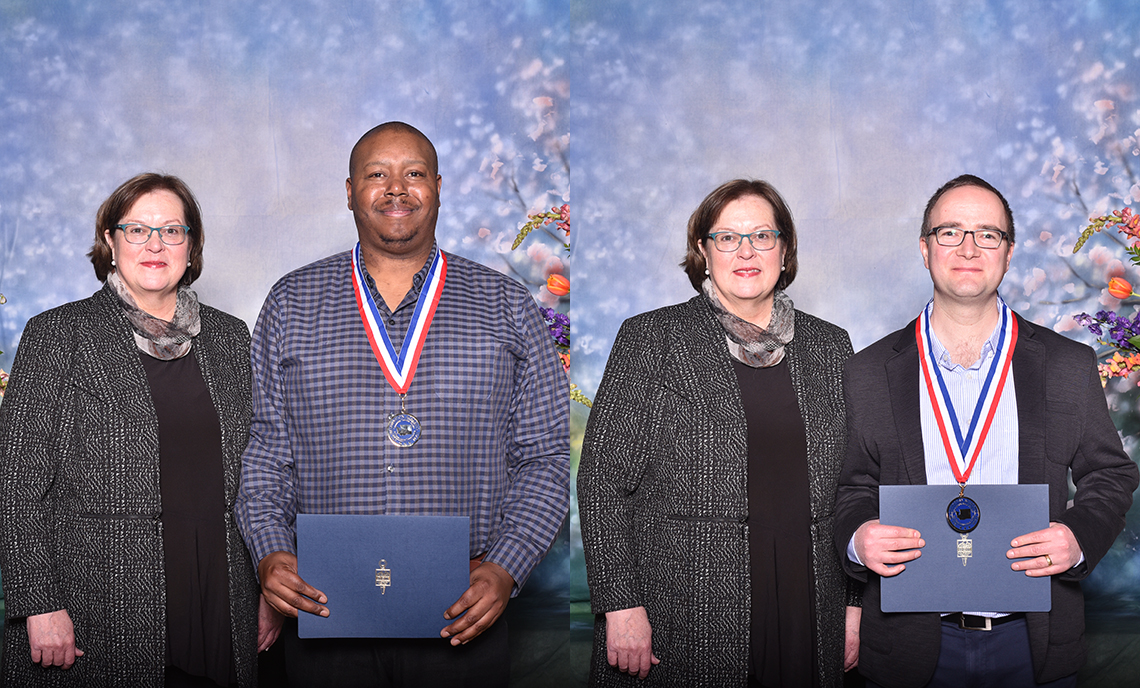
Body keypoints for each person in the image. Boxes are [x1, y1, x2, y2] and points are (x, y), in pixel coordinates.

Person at [234, 121, 569, 687]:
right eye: (376, 174)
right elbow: (267, 454)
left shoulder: (505, 304)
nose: (396, 189)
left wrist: (506, 569)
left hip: (461, 614)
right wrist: (269, 555)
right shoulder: (291, 302)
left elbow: (547, 458)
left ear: (437, 186)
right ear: (348, 191)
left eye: (413, 173)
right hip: (325, 610)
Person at [834, 174, 1139, 688]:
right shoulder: (869, 370)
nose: (969, 247)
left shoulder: (1066, 364)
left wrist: (1078, 538)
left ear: (1009, 252)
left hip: (1033, 641)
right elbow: (851, 486)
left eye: (988, 234)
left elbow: (1110, 473)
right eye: (950, 232)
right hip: (910, 647)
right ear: (925, 250)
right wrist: (858, 538)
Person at [578, 179, 861, 687]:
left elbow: (856, 484)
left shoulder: (831, 346)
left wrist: (855, 605)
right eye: (727, 237)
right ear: (703, 252)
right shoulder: (652, 339)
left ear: (785, 249)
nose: (746, 251)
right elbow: (602, 482)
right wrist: (620, 605)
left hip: (808, 600)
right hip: (686, 604)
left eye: (762, 236)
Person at [0, 173, 278, 687]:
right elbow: (16, 486)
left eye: (172, 230)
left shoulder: (231, 339)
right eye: (136, 230)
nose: (155, 245)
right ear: (110, 240)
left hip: (221, 596)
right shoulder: (58, 335)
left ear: (190, 245)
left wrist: (266, 589)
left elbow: (259, 473)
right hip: (99, 604)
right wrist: (39, 604)